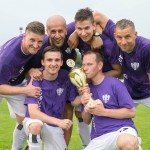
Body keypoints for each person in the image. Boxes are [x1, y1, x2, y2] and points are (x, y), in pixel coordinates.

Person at [29, 15, 92, 148]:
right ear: (47, 31)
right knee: (32, 121)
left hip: (65, 81)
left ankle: (69, 146)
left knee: (71, 112)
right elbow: (26, 65)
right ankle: (25, 146)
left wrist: (85, 94)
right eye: (53, 31)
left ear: (66, 30)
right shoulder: (39, 46)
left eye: (60, 31)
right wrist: (30, 71)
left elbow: (94, 16)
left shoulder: (72, 34)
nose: (57, 35)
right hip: (44, 82)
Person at [80, 50, 141, 150]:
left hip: (121, 131)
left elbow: (131, 112)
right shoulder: (87, 89)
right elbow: (86, 121)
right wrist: (86, 106)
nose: (85, 68)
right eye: (84, 65)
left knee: (127, 143)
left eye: (89, 64)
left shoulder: (115, 84)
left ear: (100, 65)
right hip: (99, 137)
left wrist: (103, 111)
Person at [23, 45, 81, 150]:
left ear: (62, 62)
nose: (53, 64)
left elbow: (73, 102)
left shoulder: (66, 77)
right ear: (42, 62)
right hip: (35, 120)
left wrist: (84, 95)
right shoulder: (35, 78)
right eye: (49, 60)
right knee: (36, 126)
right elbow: (33, 112)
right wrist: (59, 122)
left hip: (54, 125)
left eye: (57, 60)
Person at [0, 21, 47, 150]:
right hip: (1, 83)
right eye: (32, 40)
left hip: (16, 82)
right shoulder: (7, 58)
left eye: (39, 41)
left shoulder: (43, 41)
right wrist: (26, 90)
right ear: (24, 36)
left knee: (26, 119)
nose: (36, 45)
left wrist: (30, 70)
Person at [93, 11, 150, 108]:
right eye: (119, 37)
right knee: (118, 121)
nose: (123, 42)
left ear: (135, 35)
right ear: (114, 35)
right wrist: (95, 35)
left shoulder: (146, 48)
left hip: (148, 92)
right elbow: (95, 15)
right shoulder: (114, 35)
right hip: (129, 92)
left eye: (127, 37)